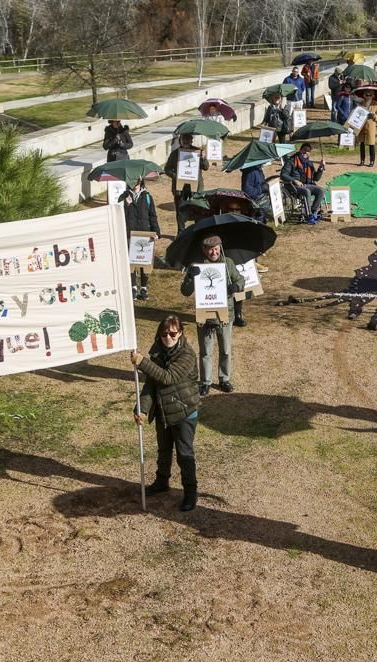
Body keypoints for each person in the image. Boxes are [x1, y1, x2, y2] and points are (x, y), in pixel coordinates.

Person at [131, 316, 202, 511]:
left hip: (184, 412)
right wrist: (142, 409)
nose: (168, 337)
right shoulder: (158, 352)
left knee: (184, 454)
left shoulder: (187, 354)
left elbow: (168, 377)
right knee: (163, 451)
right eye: (164, 334)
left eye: (172, 333)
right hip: (163, 411)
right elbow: (151, 384)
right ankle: (162, 482)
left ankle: (190, 493)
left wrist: (142, 362)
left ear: (180, 333)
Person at [180, 235, 245, 396]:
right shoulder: (197, 266)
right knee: (205, 352)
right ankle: (205, 382)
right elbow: (185, 291)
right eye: (210, 249)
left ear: (220, 248)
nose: (213, 252)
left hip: (226, 314)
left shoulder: (228, 263)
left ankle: (224, 379)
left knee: (226, 350)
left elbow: (241, 280)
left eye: (216, 249)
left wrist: (235, 286)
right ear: (204, 250)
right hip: (205, 315)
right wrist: (190, 276)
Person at [120, 178, 160, 300]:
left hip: (145, 234)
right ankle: (133, 287)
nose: (135, 183)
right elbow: (119, 216)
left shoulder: (147, 197)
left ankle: (143, 288)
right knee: (131, 262)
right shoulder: (123, 197)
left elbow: (152, 215)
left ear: (141, 181)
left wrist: (156, 232)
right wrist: (126, 205)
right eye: (133, 180)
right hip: (129, 234)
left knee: (144, 261)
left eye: (137, 180)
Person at [164, 134, 208, 234]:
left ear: (192, 140)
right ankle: (181, 233)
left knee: (198, 210)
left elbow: (205, 167)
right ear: (180, 140)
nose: (186, 141)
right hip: (180, 188)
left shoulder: (198, 152)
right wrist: (177, 176)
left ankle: (198, 232)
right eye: (184, 138)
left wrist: (203, 158)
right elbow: (167, 169)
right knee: (180, 212)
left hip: (196, 188)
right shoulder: (175, 154)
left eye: (188, 138)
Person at [281, 143, 326, 223]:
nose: (306, 152)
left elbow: (316, 178)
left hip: (307, 185)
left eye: (308, 151)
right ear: (300, 150)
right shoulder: (292, 160)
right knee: (307, 191)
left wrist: (320, 168)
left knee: (321, 190)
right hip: (293, 186)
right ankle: (307, 215)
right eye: (304, 150)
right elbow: (283, 174)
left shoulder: (309, 163)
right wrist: (294, 180)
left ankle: (313, 212)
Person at [357, 90, 377, 167]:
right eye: (366, 95)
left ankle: (372, 161)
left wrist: (374, 116)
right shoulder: (361, 104)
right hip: (362, 126)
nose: (368, 96)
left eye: (370, 95)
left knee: (371, 145)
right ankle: (362, 160)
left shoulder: (376, 105)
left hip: (371, 127)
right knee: (362, 144)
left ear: (373, 96)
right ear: (364, 95)